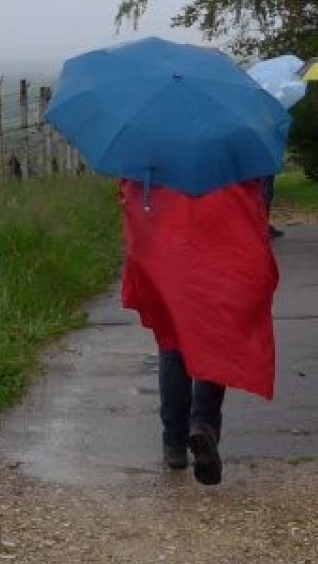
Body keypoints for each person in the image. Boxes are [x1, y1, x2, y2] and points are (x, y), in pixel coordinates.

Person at [119, 178, 280, 485]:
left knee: (173, 340)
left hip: (166, 244)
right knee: (214, 334)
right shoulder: (232, 134)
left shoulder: (151, 137)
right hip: (222, 238)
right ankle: (203, 425)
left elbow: (131, 192)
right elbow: (255, 194)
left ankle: (174, 444)